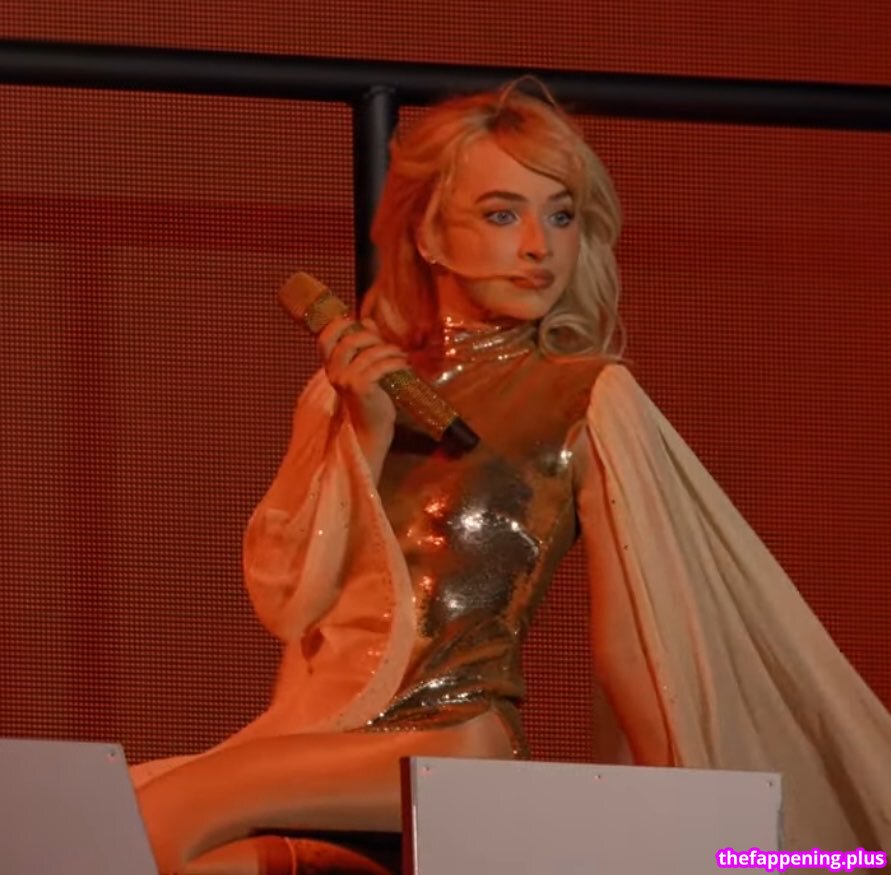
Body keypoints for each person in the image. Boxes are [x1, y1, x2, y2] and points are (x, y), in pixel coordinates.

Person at [130, 81, 891, 874]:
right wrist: (364, 430)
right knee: (153, 837)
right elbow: (287, 600)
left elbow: (634, 640)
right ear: (428, 233)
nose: (538, 246)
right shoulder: (347, 389)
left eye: (560, 216)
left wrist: (679, 816)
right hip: (328, 738)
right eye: (501, 215)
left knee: (160, 814)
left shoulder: (584, 394)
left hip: (452, 739)